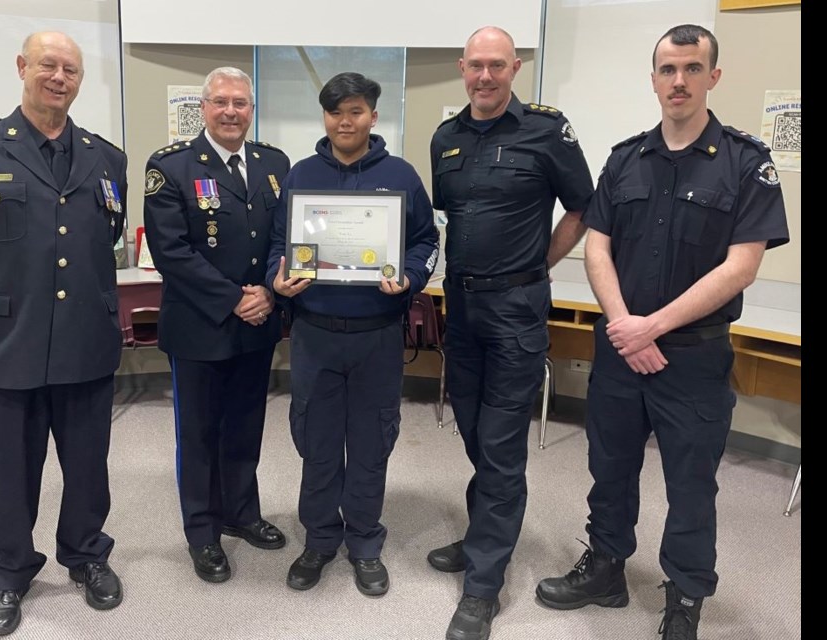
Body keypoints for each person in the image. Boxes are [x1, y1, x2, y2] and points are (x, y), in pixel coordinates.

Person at [534, 24, 789, 640]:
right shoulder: (624, 159)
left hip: (693, 357)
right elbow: (598, 248)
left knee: (691, 485)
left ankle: (685, 596)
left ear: (712, 77)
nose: (679, 81)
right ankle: (607, 568)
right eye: (668, 70)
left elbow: (742, 265)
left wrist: (651, 326)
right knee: (610, 469)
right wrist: (625, 326)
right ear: (653, 79)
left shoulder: (745, 161)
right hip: (622, 350)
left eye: (692, 69)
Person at [0, 32, 126, 636]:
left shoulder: (106, 156)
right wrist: (3, 291)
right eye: (48, 65)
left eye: (70, 69)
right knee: (11, 471)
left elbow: (103, 239)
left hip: (85, 341)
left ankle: (87, 555)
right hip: (5, 343)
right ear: (22, 67)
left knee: (89, 466)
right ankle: (10, 572)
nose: (59, 77)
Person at [427, 26, 594, 640]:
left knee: (500, 447)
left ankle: (482, 587)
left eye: (498, 65)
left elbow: (583, 207)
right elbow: (449, 215)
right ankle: (481, 537)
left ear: (516, 67)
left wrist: (539, 266)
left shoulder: (547, 130)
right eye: (476, 66)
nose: (486, 76)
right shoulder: (445, 138)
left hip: (518, 311)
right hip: (462, 311)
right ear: (461, 68)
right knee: (472, 429)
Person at [266, 72, 439, 597]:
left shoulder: (402, 177)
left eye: (357, 111)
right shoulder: (300, 176)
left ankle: (364, 542)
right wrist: (279, 276)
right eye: (336, 112)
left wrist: (409, 278)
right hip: (315, 333)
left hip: (377, 335)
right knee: (317, 441)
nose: (346, 121)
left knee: (370, 442)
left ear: (373, 116)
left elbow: (426, 243)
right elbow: (279, 242)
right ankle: (319, 539)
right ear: (325, 117)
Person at [142, 67, 291, 585]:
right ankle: (202, 532)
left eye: (241, 103)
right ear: (203, 108)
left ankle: (241, 512)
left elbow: (285, 240)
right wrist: (234, 299)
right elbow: (172, 252)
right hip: (201, 325)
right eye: (221, 102)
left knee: (246, 427)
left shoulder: (274, 164)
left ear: (252, 109)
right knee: (200, 433)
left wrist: (270, 291)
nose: (231, 111)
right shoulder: (172, 166)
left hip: (258, 323)